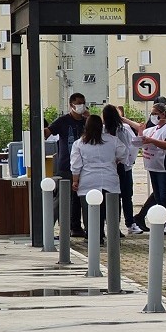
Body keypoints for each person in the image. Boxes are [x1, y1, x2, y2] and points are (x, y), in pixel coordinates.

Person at [70, 114, 125, 243]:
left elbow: (76, 165)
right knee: (111, 211)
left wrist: (75, 181)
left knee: (90, 212)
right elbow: (123, 154)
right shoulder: (113, 140)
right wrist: (114, 160)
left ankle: (94, 237)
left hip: (88, 180)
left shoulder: (79, 143)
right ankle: (113, 238)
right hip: (110, 180)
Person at [45, 92, 88, 237]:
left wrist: (89, 118)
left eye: (83, 103)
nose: (82, 106)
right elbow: (48, 132)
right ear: (71, 105)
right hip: (66, 166)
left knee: (79, 200)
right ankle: (52, 229)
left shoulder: (86, 121)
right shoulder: (63, 121)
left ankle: (76, 227)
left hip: (85, 167)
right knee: (63, 199)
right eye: (79, 103)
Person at [140, 102, 166, 234]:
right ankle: (162, 220)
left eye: (155, 114)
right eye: (151, 114)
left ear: (163, 114)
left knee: (165, 196)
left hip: (165, 167)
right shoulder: (153, 129)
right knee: (158, 196)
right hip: (154, 167)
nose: (153, 116)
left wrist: (152, 141)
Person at [102, 105, 139, 236]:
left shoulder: (105, 130)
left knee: (113, 198)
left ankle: (112, 227)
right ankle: (125, 225)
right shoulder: (123, 129)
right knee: (125, 196)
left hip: (111, 167)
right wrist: (128, 160)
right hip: (122, 167)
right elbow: (131, 147)